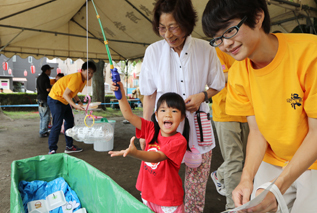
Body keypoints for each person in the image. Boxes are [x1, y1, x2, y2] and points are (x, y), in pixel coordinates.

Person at [202, 0, 317, 212]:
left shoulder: (310, 54)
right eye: (217, 38)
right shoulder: (237, 73)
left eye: (229, 30)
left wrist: (278, 187)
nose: (225, 44)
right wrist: (246, 178)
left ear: (257, 16)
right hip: (273, 159)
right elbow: (257, 131)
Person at [139, 0, 225, 212]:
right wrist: (144, 132)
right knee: (161, 186)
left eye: (173, 26)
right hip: (164, 134)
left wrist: (202, 96)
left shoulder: (206, 49)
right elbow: (149, 96)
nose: (168, 34)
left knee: (196, 191)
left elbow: (218, 85)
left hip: (198, 132)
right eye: (162, 28)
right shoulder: (153, 52)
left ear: (187, 23)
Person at [110, 81, 190, 213]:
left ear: (182, 117)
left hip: (168, 200)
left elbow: (157, 157)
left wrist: (135, 153)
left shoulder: (179, 141)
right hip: (147, 195)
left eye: (174, 111)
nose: (168, 114)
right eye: (163, 110)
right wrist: (121, 94)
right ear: (157, 115)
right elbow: (128, 116)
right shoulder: (151, 129)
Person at [210, 48, 249, 210]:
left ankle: (219, 174)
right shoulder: (217, 51)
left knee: (247, 158)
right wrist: (245, 70)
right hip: (226, 112)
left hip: (247, 111)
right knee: (235, 161)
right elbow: (220, 78)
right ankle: (233, 208)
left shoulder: (247, 49)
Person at [47, 61, 96, 155]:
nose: (90, 75)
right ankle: (52, 150)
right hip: (55, 99)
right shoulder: (76, 78)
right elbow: (66, 94)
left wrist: (78, 102)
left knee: (69, 121)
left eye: (92, 73)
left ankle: (69, 146)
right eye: (88, 72)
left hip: (64, 100)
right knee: (57, 124)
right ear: (82, 70)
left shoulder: (83, 80)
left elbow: (73, 92)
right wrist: (74, 105)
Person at [36, 64, 53, 138]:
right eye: (49, 70)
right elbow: (48, 89)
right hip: (44, 99)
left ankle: (42, 130)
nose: (50, 71)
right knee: (46, 116)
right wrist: (53, 87)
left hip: (39, 98)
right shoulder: (46, 78)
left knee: (42, 116)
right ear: (47, 70)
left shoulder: (39, 77)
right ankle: (43, 132)